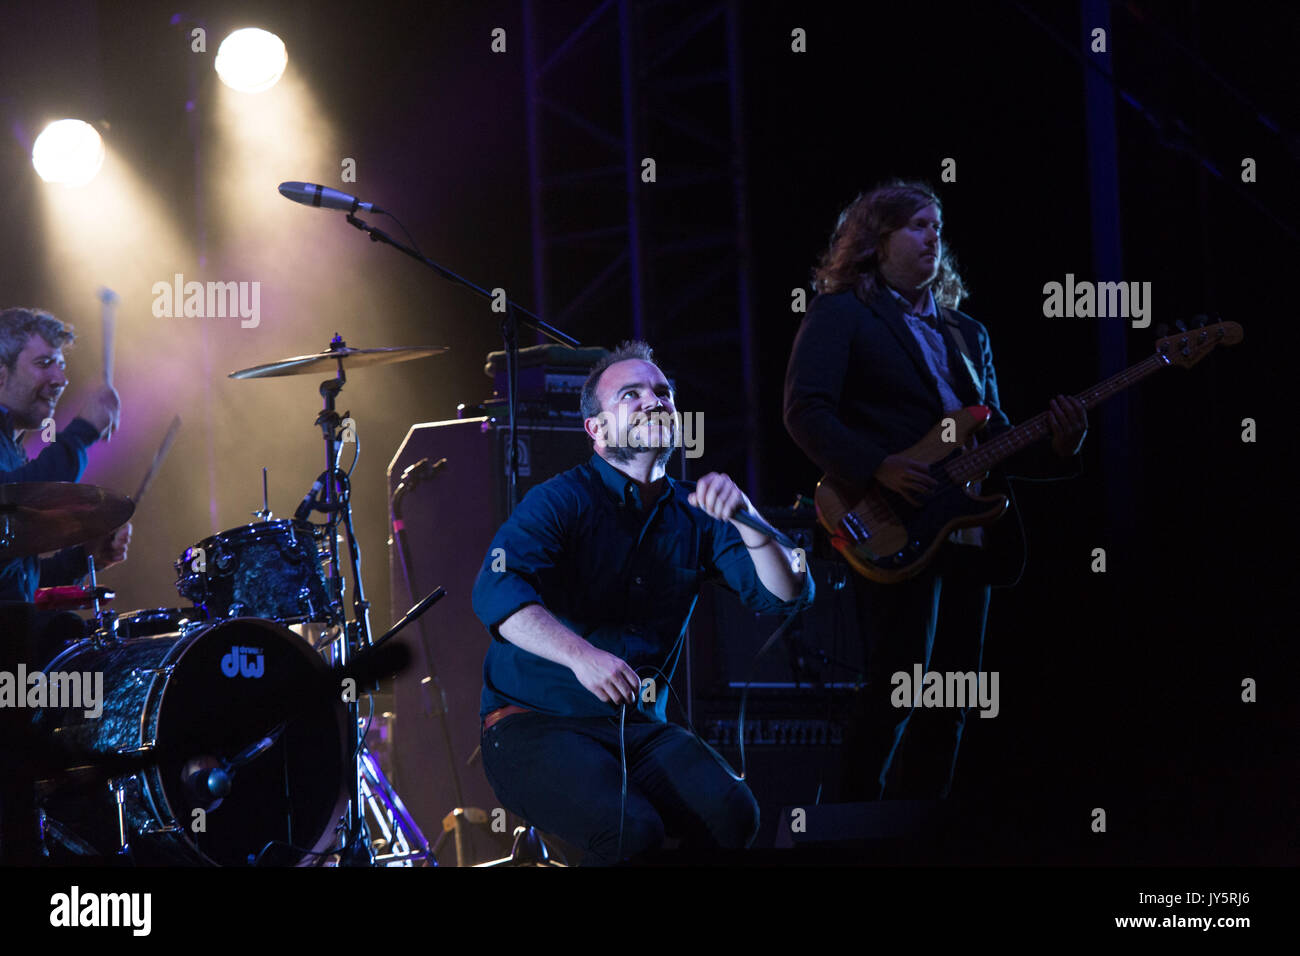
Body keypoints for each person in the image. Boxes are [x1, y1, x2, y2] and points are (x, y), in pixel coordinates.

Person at [783, 182, 1087, 801]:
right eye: (917, 225)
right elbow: (805, 411)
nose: (932, 238)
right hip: (893, 519)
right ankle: (850, 831)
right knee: (896, 688)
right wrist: (880, 467)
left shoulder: (967, 333)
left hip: (968, 527)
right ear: (876, 241)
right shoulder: (842, 313)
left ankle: (924, 841)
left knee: (953, 700)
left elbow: (995, 434)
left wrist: (1060, 444)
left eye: (936, 226)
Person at [472, 340, 813, 864]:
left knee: (733, 813)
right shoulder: (561, 500)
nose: (654, 401)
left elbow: (790, 590)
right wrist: (582, 657)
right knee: (632, 832)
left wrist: (750, 520)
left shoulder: (698, 509)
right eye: (631, 394)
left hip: (637, 728)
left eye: (662, 393)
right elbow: (495, 588)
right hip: (532, 722)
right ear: (598, 430)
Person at [0, 307, 129, 610]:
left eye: (60, 365)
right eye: (44, 363)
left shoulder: (12, 446)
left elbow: (14, 581)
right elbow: (9, 499)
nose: (60, 378)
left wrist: (83, 556)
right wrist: (82, 431)